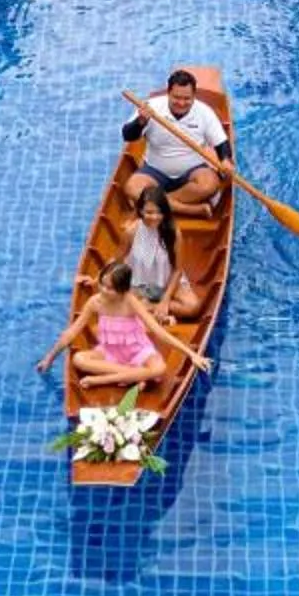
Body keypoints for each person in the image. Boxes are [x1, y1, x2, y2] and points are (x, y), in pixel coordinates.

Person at [37, 261, 208, 391]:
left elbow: (158, 331)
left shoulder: (130, 301)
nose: (103, 290)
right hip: (109, 351)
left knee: (160, 369)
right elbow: (72, 332)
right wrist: (49, 358)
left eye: (110, 288)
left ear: (123, 290)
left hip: (138, 351)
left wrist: (192, 354)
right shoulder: (95, 302)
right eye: (102, 284)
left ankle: (104, 379)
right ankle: (134, 375)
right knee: (78, 359)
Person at [122, 67, 232, 217]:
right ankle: (191, 209)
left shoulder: (204, 112)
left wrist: (225, 160)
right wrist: (140, 122)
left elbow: (221, 144)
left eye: (187, 99)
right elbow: (128, 135)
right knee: (132, 188)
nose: (181, 103)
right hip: (154, 171)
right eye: (176, 98)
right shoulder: (151, 106)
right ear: (168, 93)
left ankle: (151, 203)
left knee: (209, 184)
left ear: (194, 96)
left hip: (192, 173)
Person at [123, 183, 203, 319]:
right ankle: (145, 307)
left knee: (193, 307)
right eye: (149, 212)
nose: (154, 217)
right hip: (140, 285)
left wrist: (165, 300)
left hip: (166, 282)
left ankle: (149, 307)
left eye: (159, 212)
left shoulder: (174, 233)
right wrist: (96, 280)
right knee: (119, 303)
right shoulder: (131, 231)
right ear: (140, 211)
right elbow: (118, 259)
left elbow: (177, 270)